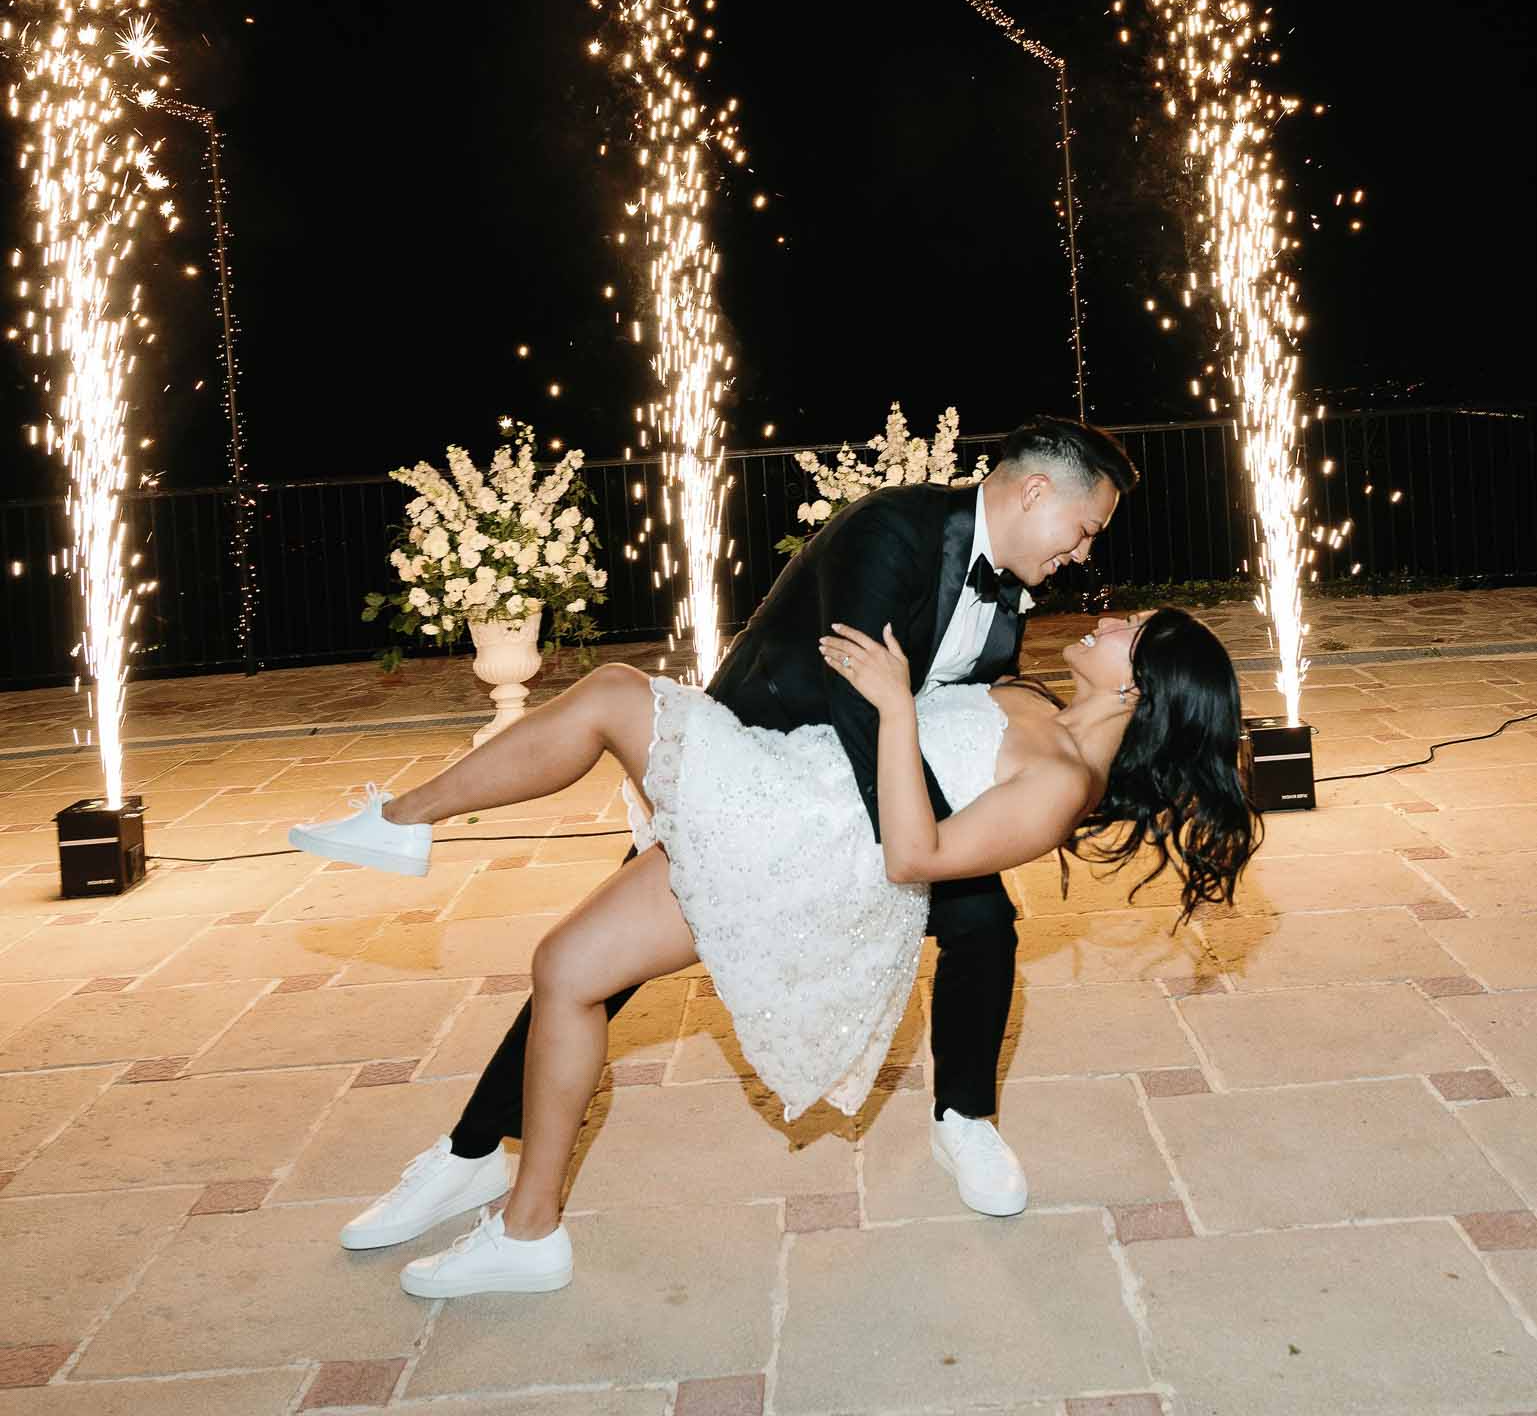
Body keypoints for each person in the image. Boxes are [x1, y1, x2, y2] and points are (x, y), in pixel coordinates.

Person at [290, 416, 1156, 1289]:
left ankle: (963, 1118)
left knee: (982, 924)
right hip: (767, 761)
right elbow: (860, 706)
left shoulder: (1005, 599)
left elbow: (953, 713)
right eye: (1085, 531)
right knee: (591, 965)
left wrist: (935, 841)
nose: (1084, 555)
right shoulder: (898, 529)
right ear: (1036, 490)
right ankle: (473, 1150)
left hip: (849, 801)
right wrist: (919, 845)